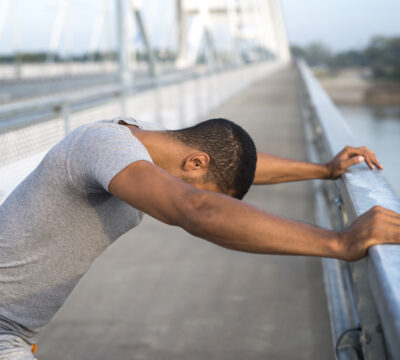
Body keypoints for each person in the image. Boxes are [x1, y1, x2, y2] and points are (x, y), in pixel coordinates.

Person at [0, 116, 399, 360]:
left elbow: (235, 166)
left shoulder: (143, 142)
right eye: (200, 182)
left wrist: (323, 169)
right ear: (194, 160)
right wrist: (340, 242)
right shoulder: (100, 144)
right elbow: (198, 209)